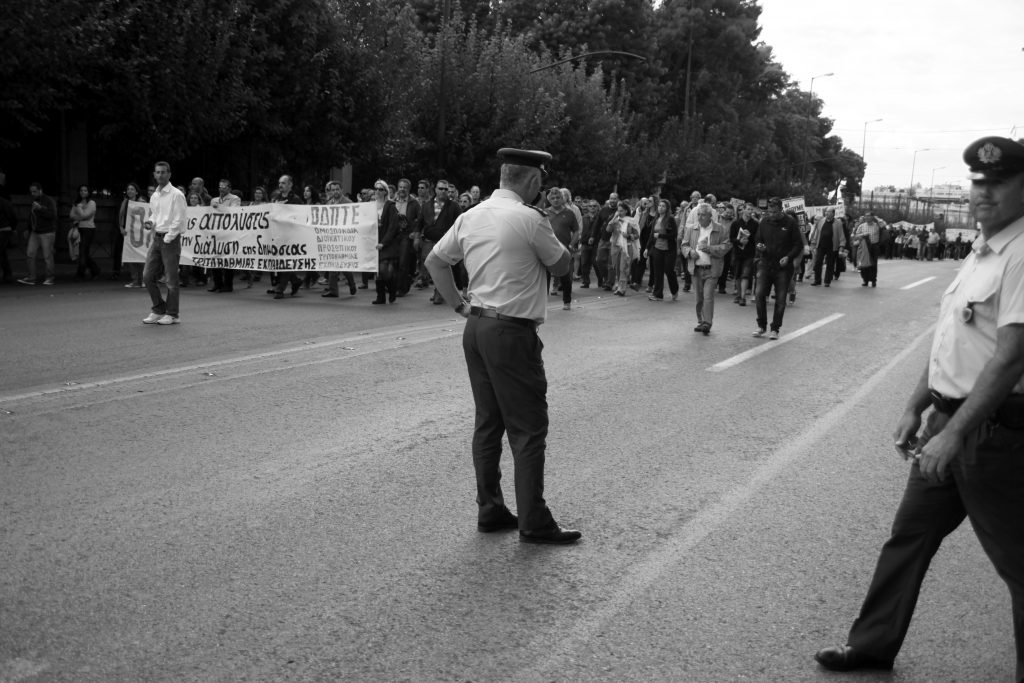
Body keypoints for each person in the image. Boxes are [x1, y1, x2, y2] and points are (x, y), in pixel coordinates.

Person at [814, 136, 1024, 680]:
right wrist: (919, 405)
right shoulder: (983, 252)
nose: (983, 194)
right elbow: (952, 342)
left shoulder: (1022, 254)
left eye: (998, 184)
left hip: (998, 435)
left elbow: (1010, 358)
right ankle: (872, 644)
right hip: (950, 422)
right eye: (978, 184)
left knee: (1019, 565)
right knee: (908, 537)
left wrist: (956, 435)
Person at [424, 147, 581, 545]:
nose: (542, 187)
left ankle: (490, 508)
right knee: (528, 428)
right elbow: (562, 266)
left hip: (476, 326)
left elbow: (435, 262)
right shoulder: (531, 220)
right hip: (512, 332)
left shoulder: (470, 215)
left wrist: (458, 303)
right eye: (540, 180)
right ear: (530, 180)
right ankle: (534, 519)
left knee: (489, 422)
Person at [141, 161, 187, 325]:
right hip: (157, 238)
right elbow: (155, 215)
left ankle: (173, 314)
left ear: (169, 174)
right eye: (157, 172)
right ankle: (159, 308)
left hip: (170, 239)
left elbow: (179, 219)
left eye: (163, 172)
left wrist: (168, 237)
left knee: (171, 279)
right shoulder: (155, 195)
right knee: (147, 276)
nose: (160, 175)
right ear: (154, 174)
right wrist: (151, 223)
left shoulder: (176, 195)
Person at [752, 197, 802, 340]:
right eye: (769, 212)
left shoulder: (790, 223)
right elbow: (758, 240)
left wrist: (789, 257)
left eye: (774, 212)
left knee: (780, 299)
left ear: (781, 210)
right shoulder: (764, 222)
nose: (772, 215)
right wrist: (759, 246)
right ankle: (761, 326)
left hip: (783, 267)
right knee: (759, 294)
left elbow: (797, 244)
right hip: (765, 263)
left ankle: (775, 329)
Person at [681, 203, 731, 334]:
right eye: (698, 214)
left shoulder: (720, 229)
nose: (699, 216)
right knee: (699, 298)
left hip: (711, 269)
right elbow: (684, 244)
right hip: (696, 268)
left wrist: (710, 249)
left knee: (708, 296)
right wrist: (690, 252)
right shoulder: (692, 229)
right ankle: (701, 321)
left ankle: (707, 323)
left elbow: (726, 246)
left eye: (702, 214)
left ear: (710, 216)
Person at [545, 185, 579, 310]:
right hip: (547, 249)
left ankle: (567, 302)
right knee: (545, 278)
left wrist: (571, 244)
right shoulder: (545, 212)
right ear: (549, 199)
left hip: (564, 250)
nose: (555, 199)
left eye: (558, 197)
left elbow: (576, 231)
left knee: (565, 276)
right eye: (552, 197)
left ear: (562, 198)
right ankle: (543, 303)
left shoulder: (569, 213)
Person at [270, 175, 304, 299]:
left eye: (283, 183)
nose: (280, 185)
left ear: (290, 185)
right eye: (279, 183)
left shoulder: (296, 200)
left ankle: (280, 289)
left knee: (287, 262)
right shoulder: (275, 199)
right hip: (279, 235)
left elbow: (300, 217)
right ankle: (295, 281)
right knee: (281, 261)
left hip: (291, 235)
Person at [18, 182, 58, 286]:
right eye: (31, 192)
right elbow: (31, 217)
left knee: (47, 256)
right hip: (35, 232)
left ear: (40, 190)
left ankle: (50, 278)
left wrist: (41, 208)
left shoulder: (48, 200)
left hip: (47, 232)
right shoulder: (34, 201)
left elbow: (53, 215)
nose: (32, 193)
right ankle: (31, 277)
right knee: (30, 254)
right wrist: (28, 228)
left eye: (34, 191)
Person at [208, 178, 242, 293]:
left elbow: (234, 212)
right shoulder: (214, 200)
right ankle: (217, 283)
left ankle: (228, 285)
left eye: (224, 187)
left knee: (227, 259)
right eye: (220, 187)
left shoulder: (235, 199)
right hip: (216, 233)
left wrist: (220, 208)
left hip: (228, 233)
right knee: (215, 258)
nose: (221, 189)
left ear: (229, 188)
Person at [646, 198, 679, 302]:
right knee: (658, 272)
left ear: (667, 208)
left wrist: (660, 235)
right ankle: (658, 294)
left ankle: (674, 290)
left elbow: (674, 235)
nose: (660, 208)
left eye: (663, 206)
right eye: (659, 206)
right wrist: (647, 248)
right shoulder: (656, 219)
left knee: (669, 270)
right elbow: (651, 235)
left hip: (669, 249)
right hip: (657, 248)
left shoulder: (670, 219)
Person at [69, 184, 101, 280]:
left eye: (85, 190)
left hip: (88, 229)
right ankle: (95, 270)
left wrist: (78, 208)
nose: (83, 192)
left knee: (82, 251)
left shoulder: (92, 203)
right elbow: (71, 215)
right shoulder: (76, 202)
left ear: (88, 192)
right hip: (78, 229)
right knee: (84, 253)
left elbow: (85, 215)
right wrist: (79, 213)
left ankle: (80, 273)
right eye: (81, 190)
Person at [729, 204, 759, 306]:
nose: (750, 211)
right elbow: (731, 238)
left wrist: (749, 238)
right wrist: (739, 241)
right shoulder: (736, 223)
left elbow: (757, 238)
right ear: (743, 211)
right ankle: (738, 294)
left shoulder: (755, 224)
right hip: (737, 253)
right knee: (737, 275)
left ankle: (742, 297)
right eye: (748, 209)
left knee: (745, 275)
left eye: (751, 209)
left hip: (749, 253)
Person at [118, 183, 145, 287]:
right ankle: (135, 280)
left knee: (141, 257)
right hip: (128, 233)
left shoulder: (141, 202)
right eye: (128, 189)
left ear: (136, 192)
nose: (130, 191)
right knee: (130, 257)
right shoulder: (125, 202)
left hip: (140, 233)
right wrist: (121, 227)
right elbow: (121, 216)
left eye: (132, 189)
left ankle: (143, 280)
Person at [0, 192, 17, 283]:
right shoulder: (5, 203)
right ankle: (8, 274)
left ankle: (8, 274)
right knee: (2, 253)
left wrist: (12, 228)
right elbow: (13, 217)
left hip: (4, 229)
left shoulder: (4, 203)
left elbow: (12, 217)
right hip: (5, 229)